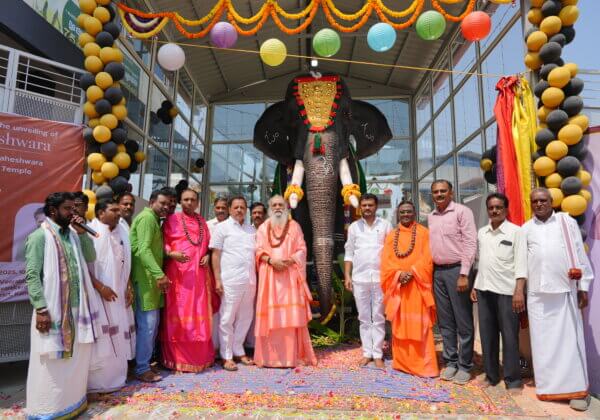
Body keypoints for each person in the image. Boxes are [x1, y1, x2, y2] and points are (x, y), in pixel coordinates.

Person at [24, 192, 110, 418]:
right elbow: (32, 275)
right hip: (52, 312)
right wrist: (41, 309)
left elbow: (90, 258)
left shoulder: (73, 234)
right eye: (68, 209)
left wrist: (82, 235)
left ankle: (72, 403)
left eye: (74, 209)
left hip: (77, 309)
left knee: (76, 360)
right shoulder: (39, 237)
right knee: (51, 365)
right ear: (53, 211)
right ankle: (47, 410)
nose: (74, 213)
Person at [515, 188, 593, 411]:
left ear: (551, 201)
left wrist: (583, 287)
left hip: (565, 292)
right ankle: (548, 389)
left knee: (571, 343)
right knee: (542, 344)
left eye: (543, 200)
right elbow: (521, 263)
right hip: (538, 296)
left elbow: (579, 253)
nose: (539, 204)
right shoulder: (526, 229)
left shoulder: (566, 223)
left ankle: (578, 390)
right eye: (535, 201)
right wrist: (519, 290)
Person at [254, 195, 317, 367]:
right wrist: (270, 260)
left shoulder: (295, 227)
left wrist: (290, 261)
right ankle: (268, 358)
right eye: (273, 204)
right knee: (271, 317)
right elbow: (258, 250)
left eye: (280, 204)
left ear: (287, 207)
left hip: (289, 277)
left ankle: (290, 358)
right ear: (269, 207)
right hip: (270, 279)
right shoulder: (263, 228)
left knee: (289, 319)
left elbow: (302, 249)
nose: (277, 207)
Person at [470, 193, 523, 393]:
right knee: (487, 336)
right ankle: (491, 375)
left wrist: (519, 291)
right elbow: (481, 263)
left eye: (498, 207)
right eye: (491, 207)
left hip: (507, 292)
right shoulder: (482, 232)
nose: (494, 210)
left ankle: (513, 380)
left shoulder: (516, 232)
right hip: (484, 290)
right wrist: (475, 285)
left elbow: (521, 264)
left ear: (506, 209)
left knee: (510, 337)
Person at [381, 201, 438, 377]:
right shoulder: (391, 236)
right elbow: (386, 261)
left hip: (418, 286)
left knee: (420, 325)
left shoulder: (423, 233)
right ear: (398, 214)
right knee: (400, 324)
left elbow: (427, 258)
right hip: (398, 287)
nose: (406, 214)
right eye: (403, 212)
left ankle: (423, 365)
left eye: (409, 212)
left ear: (414, 214)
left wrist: (412, 273)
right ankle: (402, 363)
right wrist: (399, 274)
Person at [427, 179, 477, 384]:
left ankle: (465, 365)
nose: (439, 195)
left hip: (458, 271)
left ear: (451, 192)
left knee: (463, 320)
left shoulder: (462, 212)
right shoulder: (430, 216)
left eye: (443, 191)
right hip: (437, 273)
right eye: (435, 192)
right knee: (445, 322)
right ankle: (451, 362)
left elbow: (470, 242)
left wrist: (464, 273)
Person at [161, 189, 215, 372]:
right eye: (186, 199)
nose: (189, 202)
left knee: (199, 314)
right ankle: (177, 358)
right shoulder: (171, 220)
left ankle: (199, 357)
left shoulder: (202, 222)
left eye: (192, 199)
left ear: (198, 202)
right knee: (178, 313)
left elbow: (208, 245)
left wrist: (207, 254)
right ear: (180, 202)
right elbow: (162, 242)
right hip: (178, 276)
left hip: (199, 276)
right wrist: (170, 253)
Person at [87, 200, 136, 393]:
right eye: (113, 210)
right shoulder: (90, 233)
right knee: (103, 338)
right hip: (99, 295)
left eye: (118, 209)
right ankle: (98, 384)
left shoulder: (122, 230)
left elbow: (125, 262)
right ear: (100, 213)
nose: (119, 213)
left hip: (119, 294)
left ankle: (117, 379)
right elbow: (83, 266)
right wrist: (100, 287)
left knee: (119, 334)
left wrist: (128, 286)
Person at [343, 193, 391, 368]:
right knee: (364, 317)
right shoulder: (354, 227)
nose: (367, 208)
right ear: (360, 207)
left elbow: (391, 252)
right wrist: (347, 276)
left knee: (378, 316)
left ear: (376, 206)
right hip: (359, 278)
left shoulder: (385, 225)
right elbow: (349, 253)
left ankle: (378, 354)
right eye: (364, 205)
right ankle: (366, 352)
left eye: (370, 205)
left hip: (380, 278)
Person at [210, 196, 256, 371]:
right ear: (229, 209)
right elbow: (215, 254)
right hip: (230, 280)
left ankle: (238, 350)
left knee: (246, 317)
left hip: (250, 280)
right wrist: (218, 279)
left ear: (246, 210)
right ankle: (226, 355)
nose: (239, 210)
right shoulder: (222, 228)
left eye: (242, 207)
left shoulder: (252, 230)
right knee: (227, 317)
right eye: (236, 207)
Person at [130, 189, 171, 382]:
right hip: (145, 280)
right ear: (151, 202)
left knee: (151, 325)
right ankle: (142, 369)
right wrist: (159, 274)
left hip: (150, 281)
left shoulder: (154, 219)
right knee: (147, 326)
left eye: (168, 204)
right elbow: (143, 250)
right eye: (161, 203)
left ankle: (145, 365)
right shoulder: (147, 218)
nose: (165, 207)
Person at [206, 196, 229, 353]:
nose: (220, 210)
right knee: (213, 308)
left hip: (230, 272)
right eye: (218, 208)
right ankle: (213, 346)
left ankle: (226, 347)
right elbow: (203, 246)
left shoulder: (234, 226)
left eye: (223, 208)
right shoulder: (208, 225)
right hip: (211, 272)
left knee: (228, 310)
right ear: (214, 208)